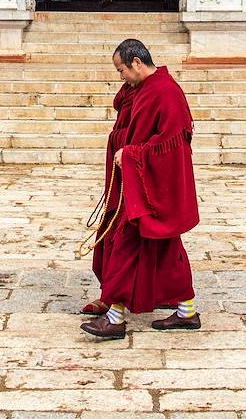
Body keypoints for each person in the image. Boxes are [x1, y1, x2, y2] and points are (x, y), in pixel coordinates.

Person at [80, 38, 201, 339]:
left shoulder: (165, 92)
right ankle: (186, 312)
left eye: (121, 70)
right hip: (135, 183)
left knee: (125, 242)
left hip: (150, 186)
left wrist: (133, 155)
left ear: (136, 63)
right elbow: (127, 113)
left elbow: (171, 145)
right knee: (166, 247)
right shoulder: (144, 89)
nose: (120, 77)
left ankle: (115, 316)